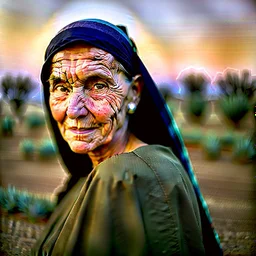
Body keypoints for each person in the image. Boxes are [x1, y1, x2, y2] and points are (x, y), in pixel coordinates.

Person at [32, 18, 222, 255]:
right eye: (61, 87)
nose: (73, 110)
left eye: (98, 85)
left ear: (133, 93)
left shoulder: (131, 179)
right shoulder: (89, 175)